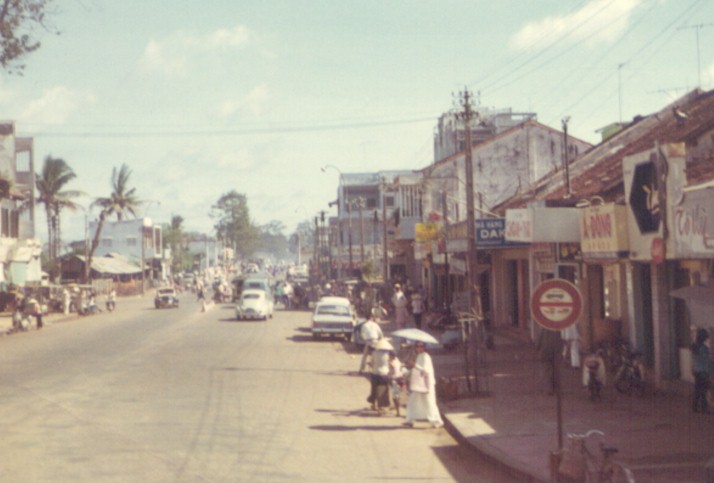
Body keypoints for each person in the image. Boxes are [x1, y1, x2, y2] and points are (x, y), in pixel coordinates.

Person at [404, 341, 443, 428]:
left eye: (421, 346)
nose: (419, 348)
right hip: (419, 383)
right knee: (412, 401)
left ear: (424, 347)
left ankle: (436, 421)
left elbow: (426, 370)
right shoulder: (419, 356)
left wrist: (415, 365)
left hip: (427, 384)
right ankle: (409, 420)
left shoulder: (426, 357)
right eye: (417, 346)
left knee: (430, 402)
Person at [367, 338, 393, 415]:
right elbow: (390, 363)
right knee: (383, 391)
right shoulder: (388, 354)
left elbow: (372, 363)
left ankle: (373, 404)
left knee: (374, 389)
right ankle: (381, 408)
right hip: (384, 374)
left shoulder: (374, 353)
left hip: (375, 373)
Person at [536, 328, 563, 395]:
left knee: (546, 371)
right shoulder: (557, 329)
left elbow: (538, 341)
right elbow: (560, 341)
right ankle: (556, 388)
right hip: (555, 352)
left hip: (545, 352)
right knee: (555, 371)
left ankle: (548, 389)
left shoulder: (543, 329)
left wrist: (537, 348)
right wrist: (560, 350)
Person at [691, 328, 712, 414]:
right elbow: (706, 361)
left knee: (697, 389)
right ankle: (704, 408)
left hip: (696, 370)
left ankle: (695, 406)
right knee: (704, 390)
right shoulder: (704, 348)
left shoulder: (694, 346)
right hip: (703, 371)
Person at [388, 351, 406, 416]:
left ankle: (398, 412)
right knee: (397, 396)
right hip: (400, 379)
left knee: (395, 397)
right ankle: (397, 410)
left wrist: (389, 365)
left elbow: (392, 372)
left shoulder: (391, 363)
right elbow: (402, 365)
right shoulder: (397, 360)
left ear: (391, 356)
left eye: (389, 356)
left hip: (395, 380)